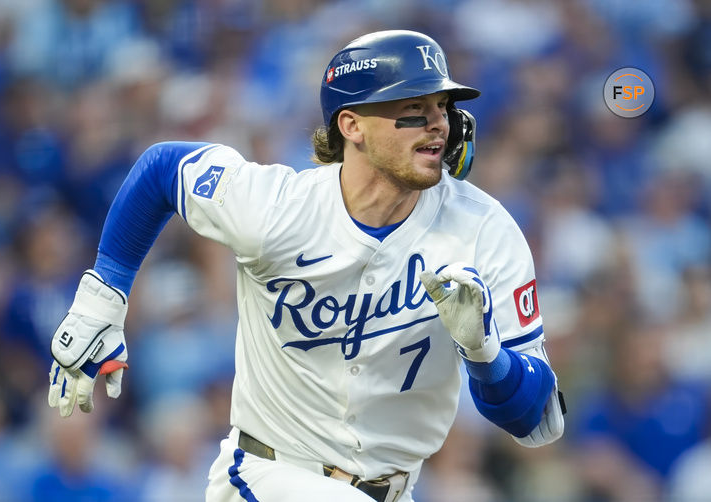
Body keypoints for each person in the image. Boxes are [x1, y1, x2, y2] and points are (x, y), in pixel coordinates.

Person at [47, 30, 564, 502]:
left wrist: (484, 352)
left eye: (443, 107)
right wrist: (103, 295)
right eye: (412, 107)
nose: (437, 124)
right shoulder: (278, 209)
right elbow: (162, 169)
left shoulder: (484, 231)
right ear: (351, 124)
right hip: (268, 477)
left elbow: (533, 419)